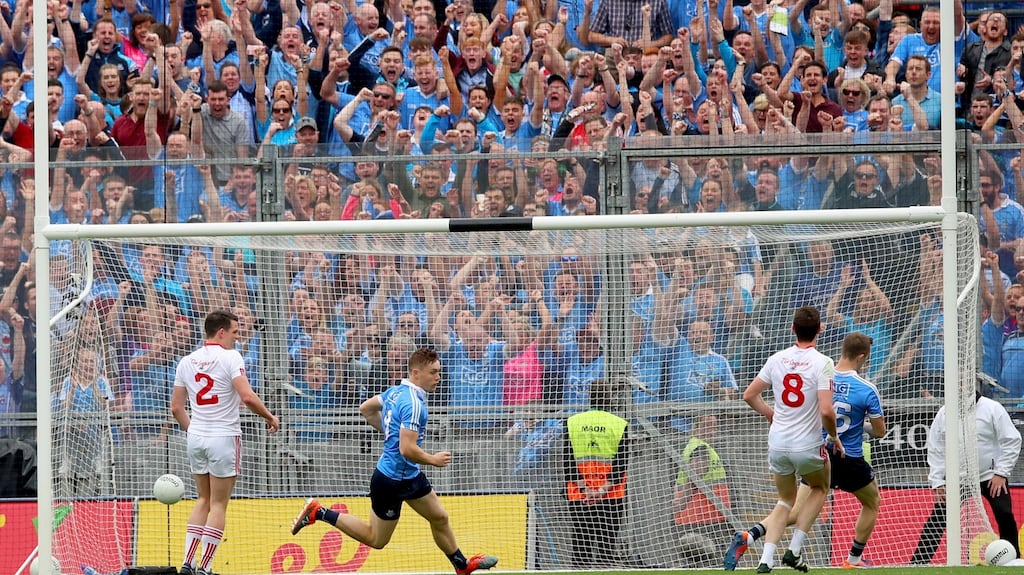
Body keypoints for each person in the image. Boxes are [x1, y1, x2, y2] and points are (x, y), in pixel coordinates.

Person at [288, 348, 499, 575]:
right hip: (391, 480)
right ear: (416, 373)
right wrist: (433, 460)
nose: (438, 377)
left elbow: (366, 409)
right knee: (376, 539)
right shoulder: (414, 405)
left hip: (409, 475)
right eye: (433, 372)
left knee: (440, 517)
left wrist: (390, 432)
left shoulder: (396, 391)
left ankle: (462, 565)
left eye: (440, 372)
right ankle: (319, 512)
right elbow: (407, 448)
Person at [724, 332, 886, 570]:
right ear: (862, 357)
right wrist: (858, 423)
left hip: (817, 452)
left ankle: (750, 535)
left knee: (791, 509)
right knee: (872, 502)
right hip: (848, 457)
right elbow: (880, 432)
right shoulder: (866, 389)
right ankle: (853, 560)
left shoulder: (822, 372)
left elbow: (821, 409)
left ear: (843, 350)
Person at [725, 306, 840, 573]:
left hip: (777, 443)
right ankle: (795, 549)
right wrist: (834, 437)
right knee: (821, 487)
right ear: (820, 329)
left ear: (793, 329)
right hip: (807, 444)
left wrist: (770, 414)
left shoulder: (777, 358)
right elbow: (825, 409)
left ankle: (766, 560)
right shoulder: (823, 362)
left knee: (785, 500)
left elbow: (749, 394)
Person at [171, 310, 280, 575]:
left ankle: (188, 563)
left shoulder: (186, 360)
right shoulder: (231, 357)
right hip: (223, 436)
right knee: (218, 504)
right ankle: (205, 567)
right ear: (221, 332)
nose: (237, 337)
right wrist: (270, 416)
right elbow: (247, 397)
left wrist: (193, 431)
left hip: (196, 436)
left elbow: (176, 408)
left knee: (203, 499)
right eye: (234, 332)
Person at [909, 388, 1022, 565]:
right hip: (957, 479)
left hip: (990, 477)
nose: (959, 388)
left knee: (1004, 513)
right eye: (956, 385)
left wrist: (1001, 472)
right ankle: (917, 563)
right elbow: (936, 448)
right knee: (938, 518)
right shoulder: (944, 413)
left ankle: (1013, 561)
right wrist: (938, 481)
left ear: (971, 385)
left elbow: (1012, 439)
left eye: (962, 384)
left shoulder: (992, 408)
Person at [562, 377, 631, 569]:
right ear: (609, 398)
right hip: (611, 495)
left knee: (581, 547)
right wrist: (600, 491)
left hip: (579, 495)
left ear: (589, 398)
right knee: (606, 551)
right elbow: (621, 465)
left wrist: (587, 490)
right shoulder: (619, 424)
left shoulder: (572, 422)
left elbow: (567, 464)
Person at [672, 415, 732, 568]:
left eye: (714, 426)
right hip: (702, 517)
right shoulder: (700, 448)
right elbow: (694, 478)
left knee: (700, 563)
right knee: (710, 562)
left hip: (704, 515)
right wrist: (680, 503)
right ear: (696, 427)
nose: (712, 430)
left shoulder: (698, 445)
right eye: (707, 425)